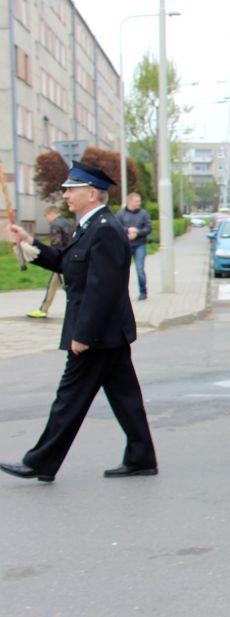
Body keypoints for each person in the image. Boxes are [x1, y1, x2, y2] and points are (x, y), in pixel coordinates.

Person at [2, 161, 156, 482]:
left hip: (97, 335)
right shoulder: (90, 226)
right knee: (125, 398)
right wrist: (30, 242)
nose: (66, 195)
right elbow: (65, 264)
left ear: (93, 193)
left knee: (68, 399)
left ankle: (40, 462)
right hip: (109, 334)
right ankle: (141, 457)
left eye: (71, 190)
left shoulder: (105, 229)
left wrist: (83, 335)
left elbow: (104, 290)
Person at [26, 205, 74, 319]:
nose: (46, 219)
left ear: (50, 214)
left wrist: (50, 256)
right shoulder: (68, 223)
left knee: (67, 286)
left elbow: (56, 243)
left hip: (60, 260)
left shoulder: (55, 225)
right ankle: (43, 309)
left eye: (46, 216)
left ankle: (76, 307)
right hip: (71, 257)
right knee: (53, 284)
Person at [115, 192, 152, 301]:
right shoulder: (121, 214)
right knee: (123, 270)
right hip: (125, 246)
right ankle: (122, 294)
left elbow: (148, 228)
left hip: (140, 245)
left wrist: (138, 233)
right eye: (137, 201)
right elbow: (116, 226)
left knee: (140, 269)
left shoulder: (144, 214)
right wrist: (128, 230)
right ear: (130, 201)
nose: (139, 203)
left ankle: (143, 292)